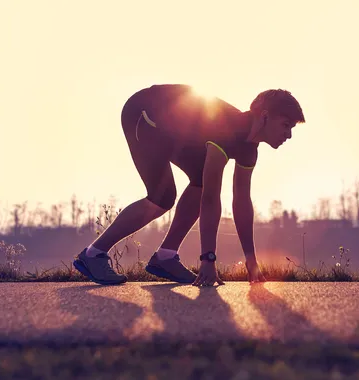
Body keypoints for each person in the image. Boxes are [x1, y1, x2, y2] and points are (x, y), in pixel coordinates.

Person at [73, 84, 305, 286]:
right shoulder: (226, 130)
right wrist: (208, 259)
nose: (289, 135)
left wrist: (251, 261)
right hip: (144, 113)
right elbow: (211, 200)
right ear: (264, 116)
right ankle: (93, 254)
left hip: (175, 130)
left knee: (199, 181)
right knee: (162, 197)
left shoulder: (249, 150)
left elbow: (242, 202)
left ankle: (165, 257)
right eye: (286, 125)